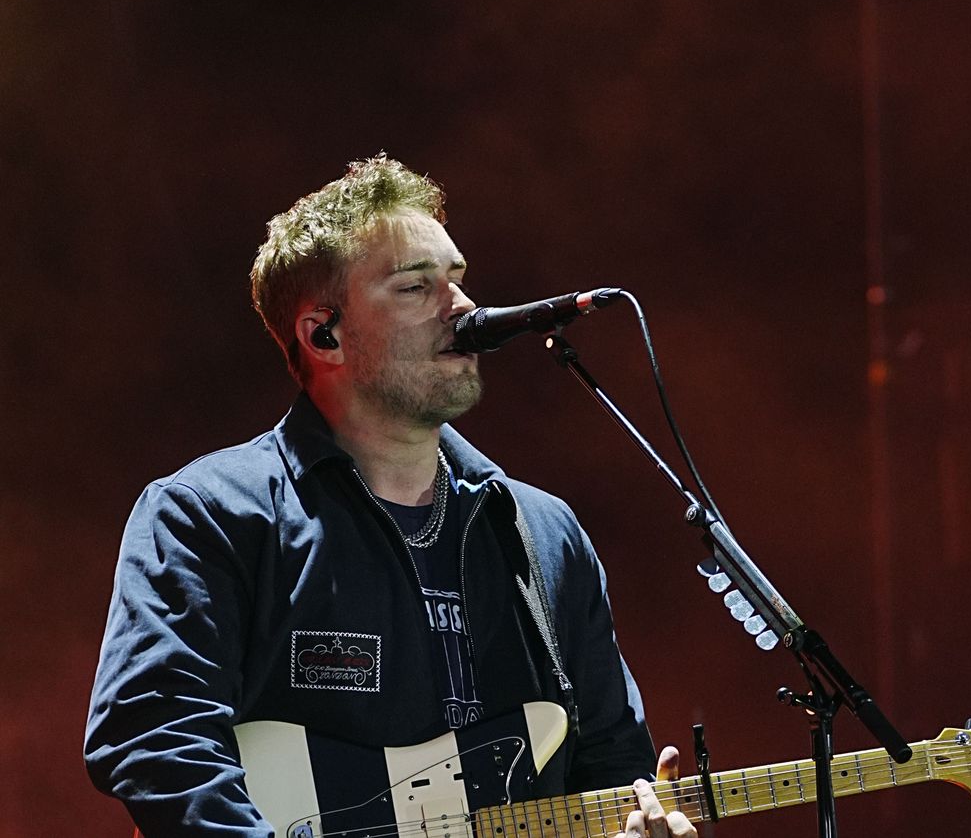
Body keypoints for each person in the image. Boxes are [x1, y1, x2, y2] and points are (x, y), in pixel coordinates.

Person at [84, 154, 697, 838]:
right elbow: (156, 740)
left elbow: (610, 758)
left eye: (458, 281)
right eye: (416, 287)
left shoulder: (544, 532)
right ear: (325, 334)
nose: (463, 308)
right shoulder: (208, 513)